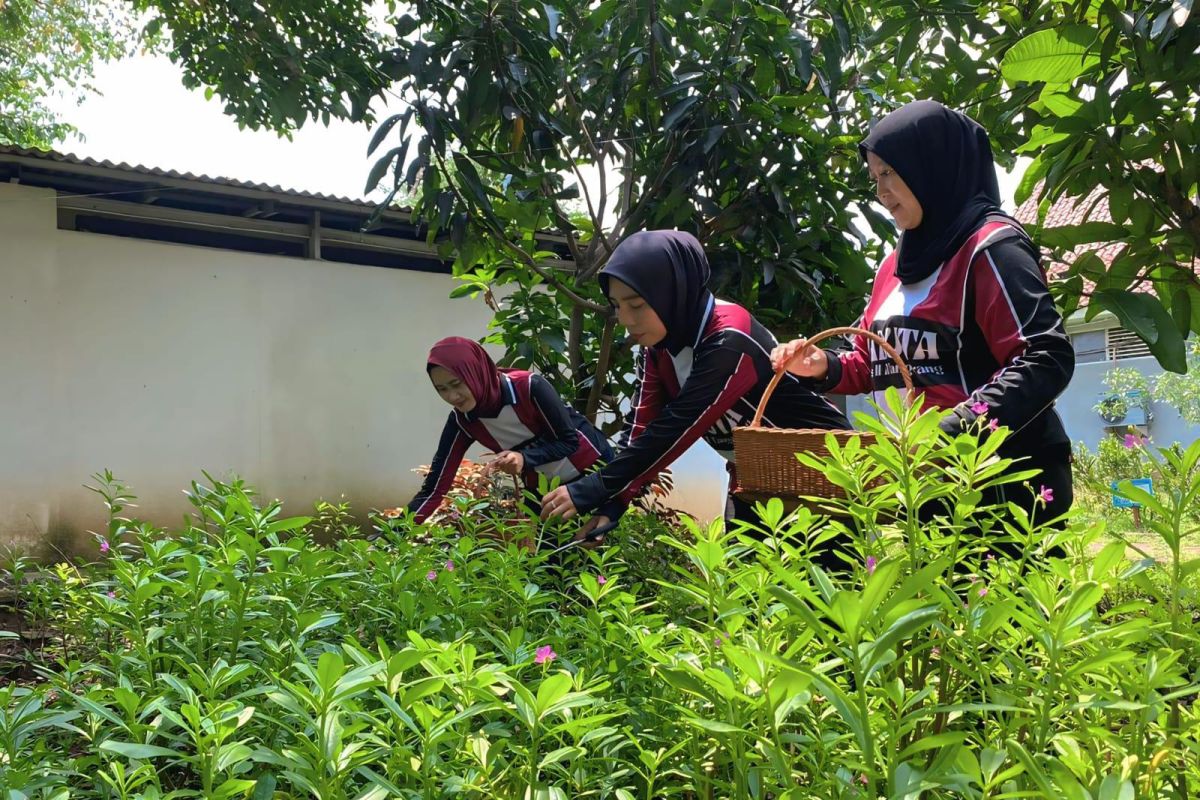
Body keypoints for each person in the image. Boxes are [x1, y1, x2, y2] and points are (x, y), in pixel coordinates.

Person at [770, 100, 1074, 532]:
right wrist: (822, 365)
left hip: (1000, 484)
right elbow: (873, 361)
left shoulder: (990, 249)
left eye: (890, 172)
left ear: (930, 166)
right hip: (924, 482)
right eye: (874, 178)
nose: (880, 192)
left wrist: (956, 427)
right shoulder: (893, 267)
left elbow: (1046, 357)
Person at [539, 230, 850, 544]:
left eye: (637, 304)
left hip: (825, 473)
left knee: (829, 571)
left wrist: (591, 488)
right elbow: (641, 428)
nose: (625, 319)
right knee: (751, 572)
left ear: (672, 293)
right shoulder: (658, 348)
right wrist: (613, 504)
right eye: (617, 305)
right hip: (757, 478)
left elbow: (679, 424)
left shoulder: (729, 337)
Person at [406, 337, 613, 523]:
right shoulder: (462, 421)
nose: (452, 396)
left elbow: (568, 441)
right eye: (442, 389)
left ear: (475, 373)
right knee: (547, 554)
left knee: (602, 545)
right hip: (544, 491)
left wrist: (523, 457)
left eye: (457, 384)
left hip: (594, 472)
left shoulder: (529, 387)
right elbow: (434, 487)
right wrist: (394, 533)